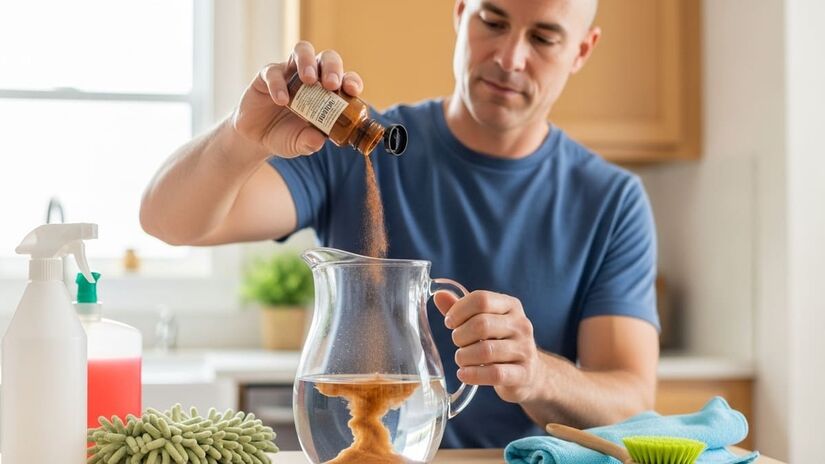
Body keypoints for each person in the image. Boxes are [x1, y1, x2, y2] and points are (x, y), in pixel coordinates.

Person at [140, 0, 660, 448]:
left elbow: (632, 399)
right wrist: (242, 136)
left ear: (582, 51)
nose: (509, 58)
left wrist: (537, 374)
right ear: (461, 13)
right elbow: (169, 222)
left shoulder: (611, 201)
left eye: (544, 37)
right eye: (493, 22)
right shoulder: (346, 149)